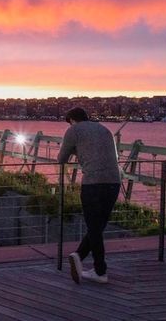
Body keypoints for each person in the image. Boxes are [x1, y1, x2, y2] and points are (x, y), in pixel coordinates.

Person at [57, 107, 121, 284]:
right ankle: (78, 256)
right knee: (98, 226)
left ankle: (100, 272)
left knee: (94, 227)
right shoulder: (104, 129)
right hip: (114, 182)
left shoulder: (73, 130)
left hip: (93, 182)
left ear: (72, 120)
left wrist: (75, 151)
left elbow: (61, 159)